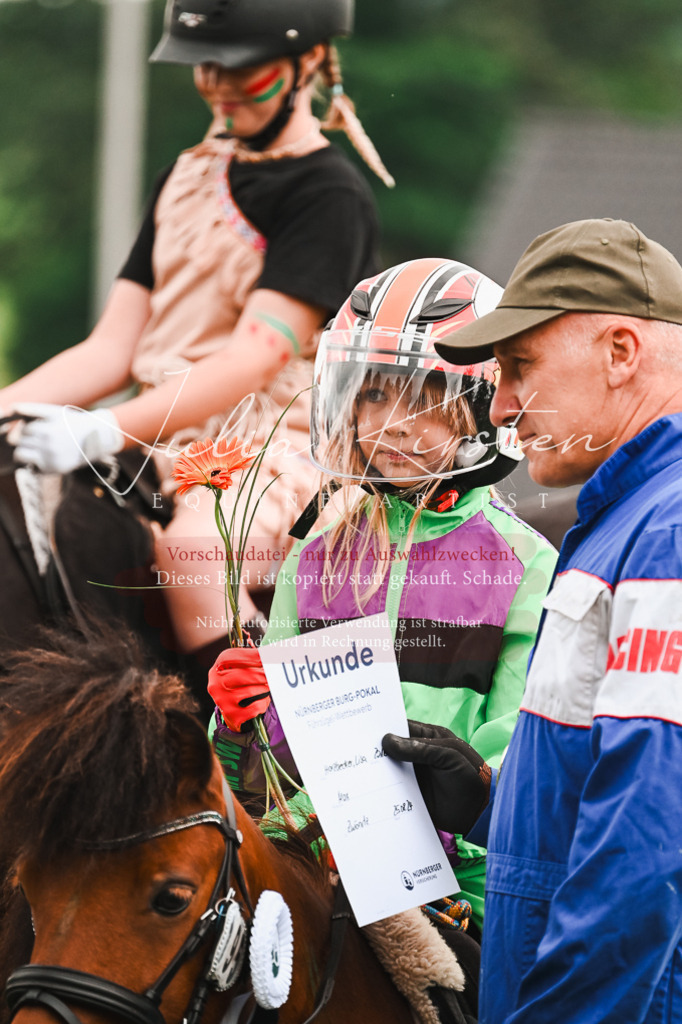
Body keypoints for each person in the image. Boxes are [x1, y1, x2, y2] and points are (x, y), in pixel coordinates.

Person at [0, 0, 385, 693]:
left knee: (194, 554)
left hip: (266, 446)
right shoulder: (183, 177)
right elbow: (110, 350)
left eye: (243, 67)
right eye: (207, 66)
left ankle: (265, 739)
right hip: (159, 439)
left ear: (309, 62)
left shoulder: (329, 193)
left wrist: (101, 428)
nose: (219, 84)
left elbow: (255, 358)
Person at [207, 257, 557, 1013]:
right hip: (307, 863)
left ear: (483, 410)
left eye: (423, 399)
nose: (391, 424)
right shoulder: (316, 553)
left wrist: (430, 827)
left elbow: (519, 761)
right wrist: (237, 720)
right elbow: (261, 764)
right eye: (372, 394)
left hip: (452, 886)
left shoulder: (527, 565)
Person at [383, 218, 682, 1024]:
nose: (503, 406)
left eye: (520, 366)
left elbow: (647, 845)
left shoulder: (668, 529)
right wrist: (490, 801)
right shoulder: (627, 518)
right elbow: (604, 795)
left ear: (621, 352)